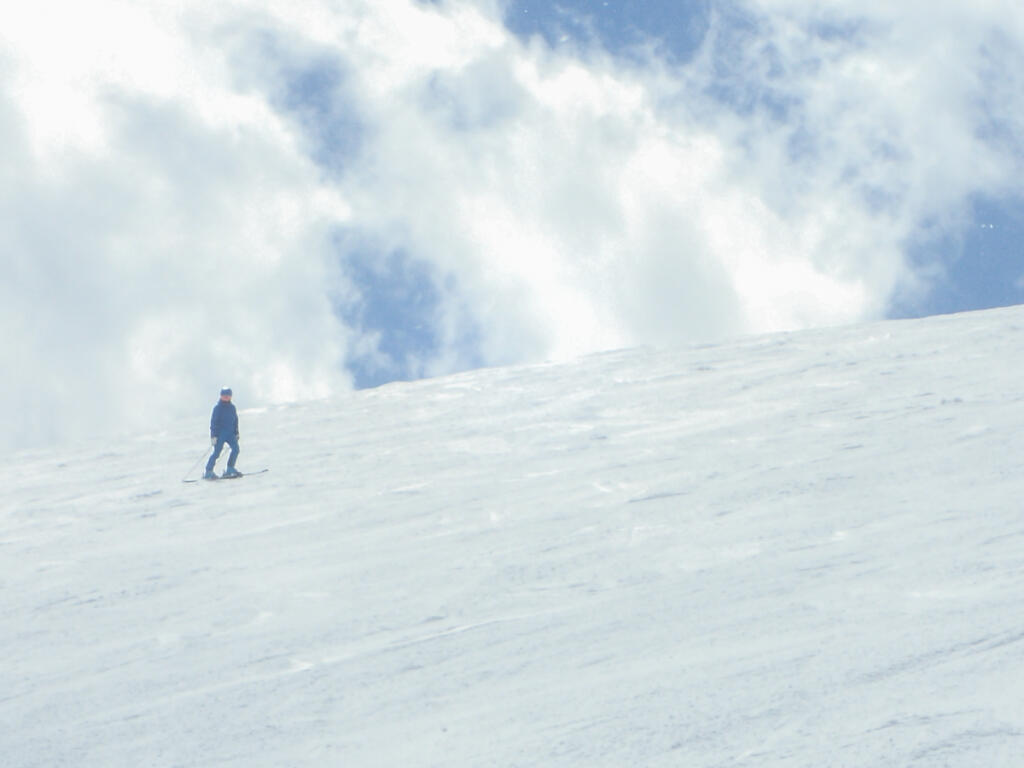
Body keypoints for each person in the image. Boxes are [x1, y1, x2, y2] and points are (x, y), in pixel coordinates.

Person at [204, 387, 241, 479]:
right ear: (221, 396)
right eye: (224, 396)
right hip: (220, 434)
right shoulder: (217, 408)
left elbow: (235, 420)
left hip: (230, 434)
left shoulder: (232, 408)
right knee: (217, 452)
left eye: (227, 396)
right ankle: (208, 471)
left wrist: (236, 432)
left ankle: (230, 468)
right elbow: (214, 422)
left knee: (236, 449)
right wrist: (213, 436)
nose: (226, 397)